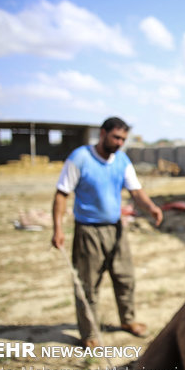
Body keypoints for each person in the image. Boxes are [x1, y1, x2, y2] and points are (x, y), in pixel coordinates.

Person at [51, 117, 163, 348]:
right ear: (103, 133)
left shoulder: (122, 160)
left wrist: (151, 207)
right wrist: (58, 229)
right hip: (88, 232)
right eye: (116, 137)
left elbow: (136, 190)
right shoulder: (80, 158)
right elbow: (61, 194)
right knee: (88, 285)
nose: (120, 142)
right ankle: (89, 333)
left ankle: (127, 321)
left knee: (125, 278)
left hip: (116, 229)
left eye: (123, 138)